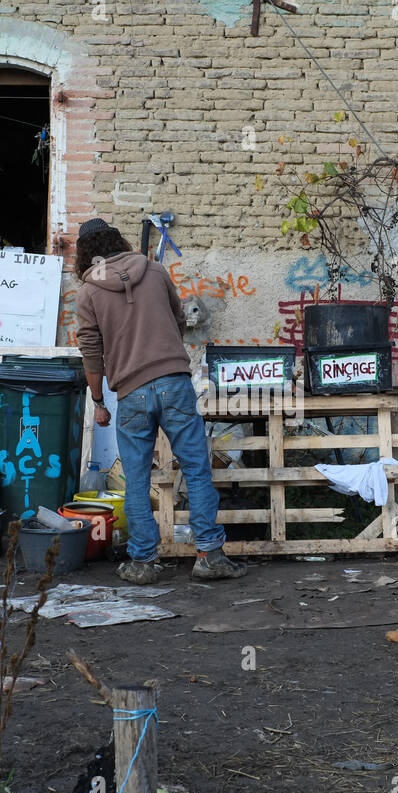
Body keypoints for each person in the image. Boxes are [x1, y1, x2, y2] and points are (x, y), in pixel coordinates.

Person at [74, 217, 247, 585]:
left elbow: (91, 352)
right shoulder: (154, 270)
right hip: (174, 382)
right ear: (118, 240)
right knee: (197, 469)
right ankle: (209, 556)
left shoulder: (88, 293)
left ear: (86, 253)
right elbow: (178, 318)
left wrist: (99, 400)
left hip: (131, 391)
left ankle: (143, 562)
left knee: (136, 480)